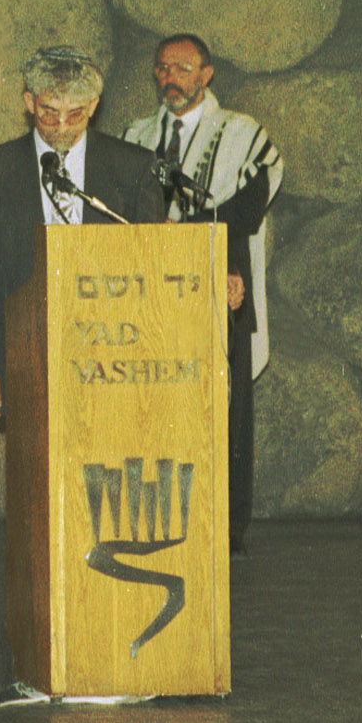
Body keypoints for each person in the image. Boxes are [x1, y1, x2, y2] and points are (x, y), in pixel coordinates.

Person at [123, 35, 282, 556]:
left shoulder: (241, 133)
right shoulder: (136, 135)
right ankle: (163, 520)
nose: (171, 77)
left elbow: (247, 210)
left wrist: (182, 229)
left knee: (223, 407)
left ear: (207, 74)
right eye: (163, 68)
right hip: (152, 288)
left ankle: (224, 529)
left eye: (183, 68)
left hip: (222, 281)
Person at [0, 46, 168, 421]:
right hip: (22, 358)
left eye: (77, 114)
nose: (63, 127)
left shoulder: (134, 167)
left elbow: (150, 270)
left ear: (95, 106)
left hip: (115, 363)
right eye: (49, 113)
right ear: (29, 102)